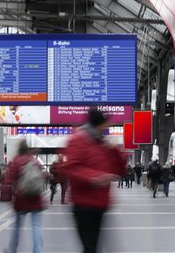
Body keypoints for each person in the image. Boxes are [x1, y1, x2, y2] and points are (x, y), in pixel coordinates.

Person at [64, 108, 126, 253]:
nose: (108, 126)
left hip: (100, 204)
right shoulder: (78, 140)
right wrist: (95, 178)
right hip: (84, 205)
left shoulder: (101, 143)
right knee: (90, 248)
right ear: (99, 124)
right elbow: (71, 168)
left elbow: (120, 171)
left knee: (92, 247)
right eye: (106, 123)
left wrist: (114, 151)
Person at [4, 140, 47, 253]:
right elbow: (44, 175)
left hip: (21, 199)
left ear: (19, 149)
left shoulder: (16, 161)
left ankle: (13, 250)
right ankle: (37, 251)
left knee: (17, 226)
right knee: (36, 227)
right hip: (36, 198)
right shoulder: (34, 160)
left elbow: (9, 179)